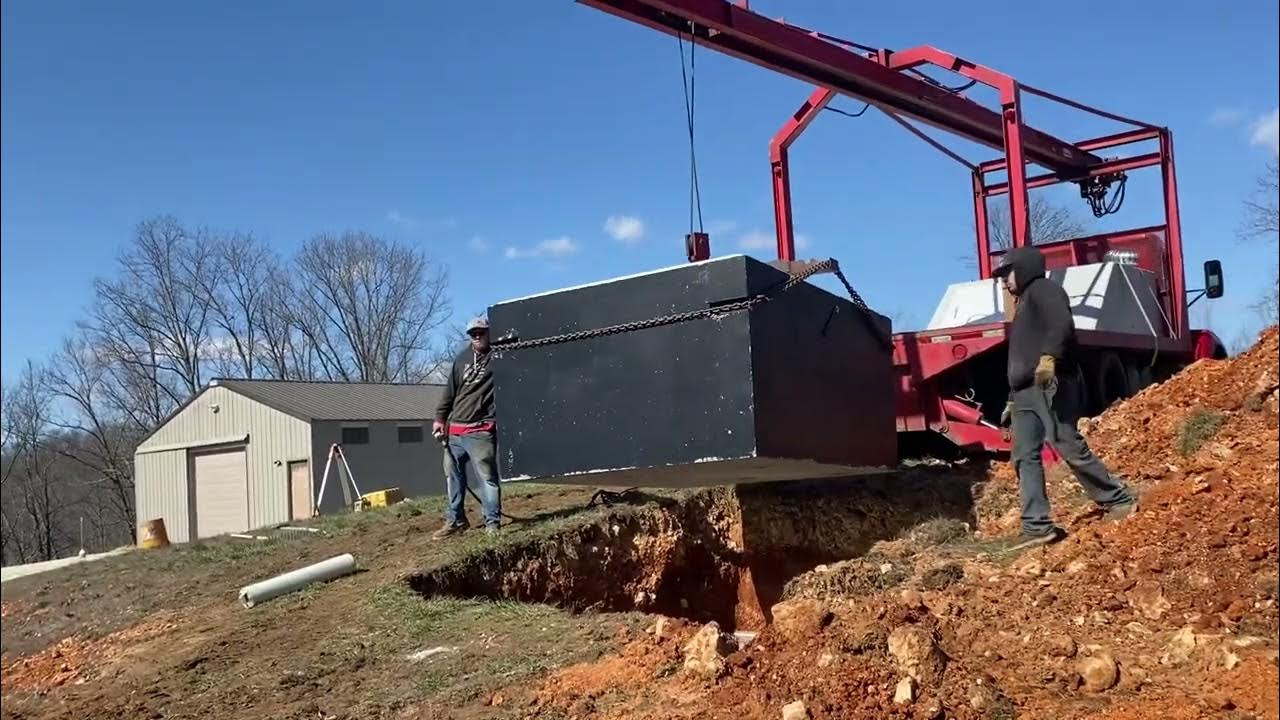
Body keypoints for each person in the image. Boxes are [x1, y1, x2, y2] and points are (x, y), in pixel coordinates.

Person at [993, 245, 1137, 550]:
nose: (1004, 281)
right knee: (1024, 456)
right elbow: (1021, 354)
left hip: (1048, 383)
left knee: (1067, 444)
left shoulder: (1045, 290)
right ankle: (1037, 526)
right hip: (1024, 393)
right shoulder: (1023, 303)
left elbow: (1061, 325)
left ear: (1026, 268)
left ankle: (1118, 499)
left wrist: (1049, 359)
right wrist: (1012, 396)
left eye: (1008, 273)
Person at [432, 316, 502, 538]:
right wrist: (439, 419)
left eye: (481, 332)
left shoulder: (499, 356)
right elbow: (449, 393)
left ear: (489, 332)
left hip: (481, 431)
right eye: (473, 334)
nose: (478, 336)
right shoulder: (461, 360)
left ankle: (492, 523)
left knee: (487, 479)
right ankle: (456, 520)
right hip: (455, 433)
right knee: (453, 477)